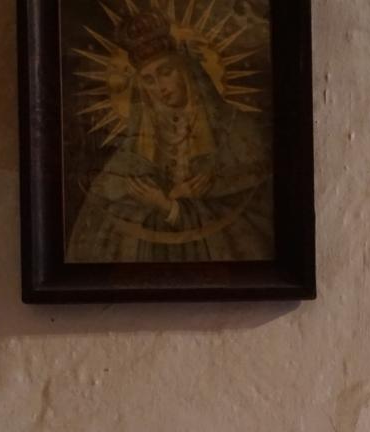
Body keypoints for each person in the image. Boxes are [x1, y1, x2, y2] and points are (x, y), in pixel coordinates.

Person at [66, 10, 273, 263]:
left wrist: (172, 205)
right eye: (149, 80)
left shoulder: (236, 128)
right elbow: (106, 199)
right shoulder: (139, 141)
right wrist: (157, 200)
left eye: (166, 72)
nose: (160, 87)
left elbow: (254, 203)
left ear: (186, 70)